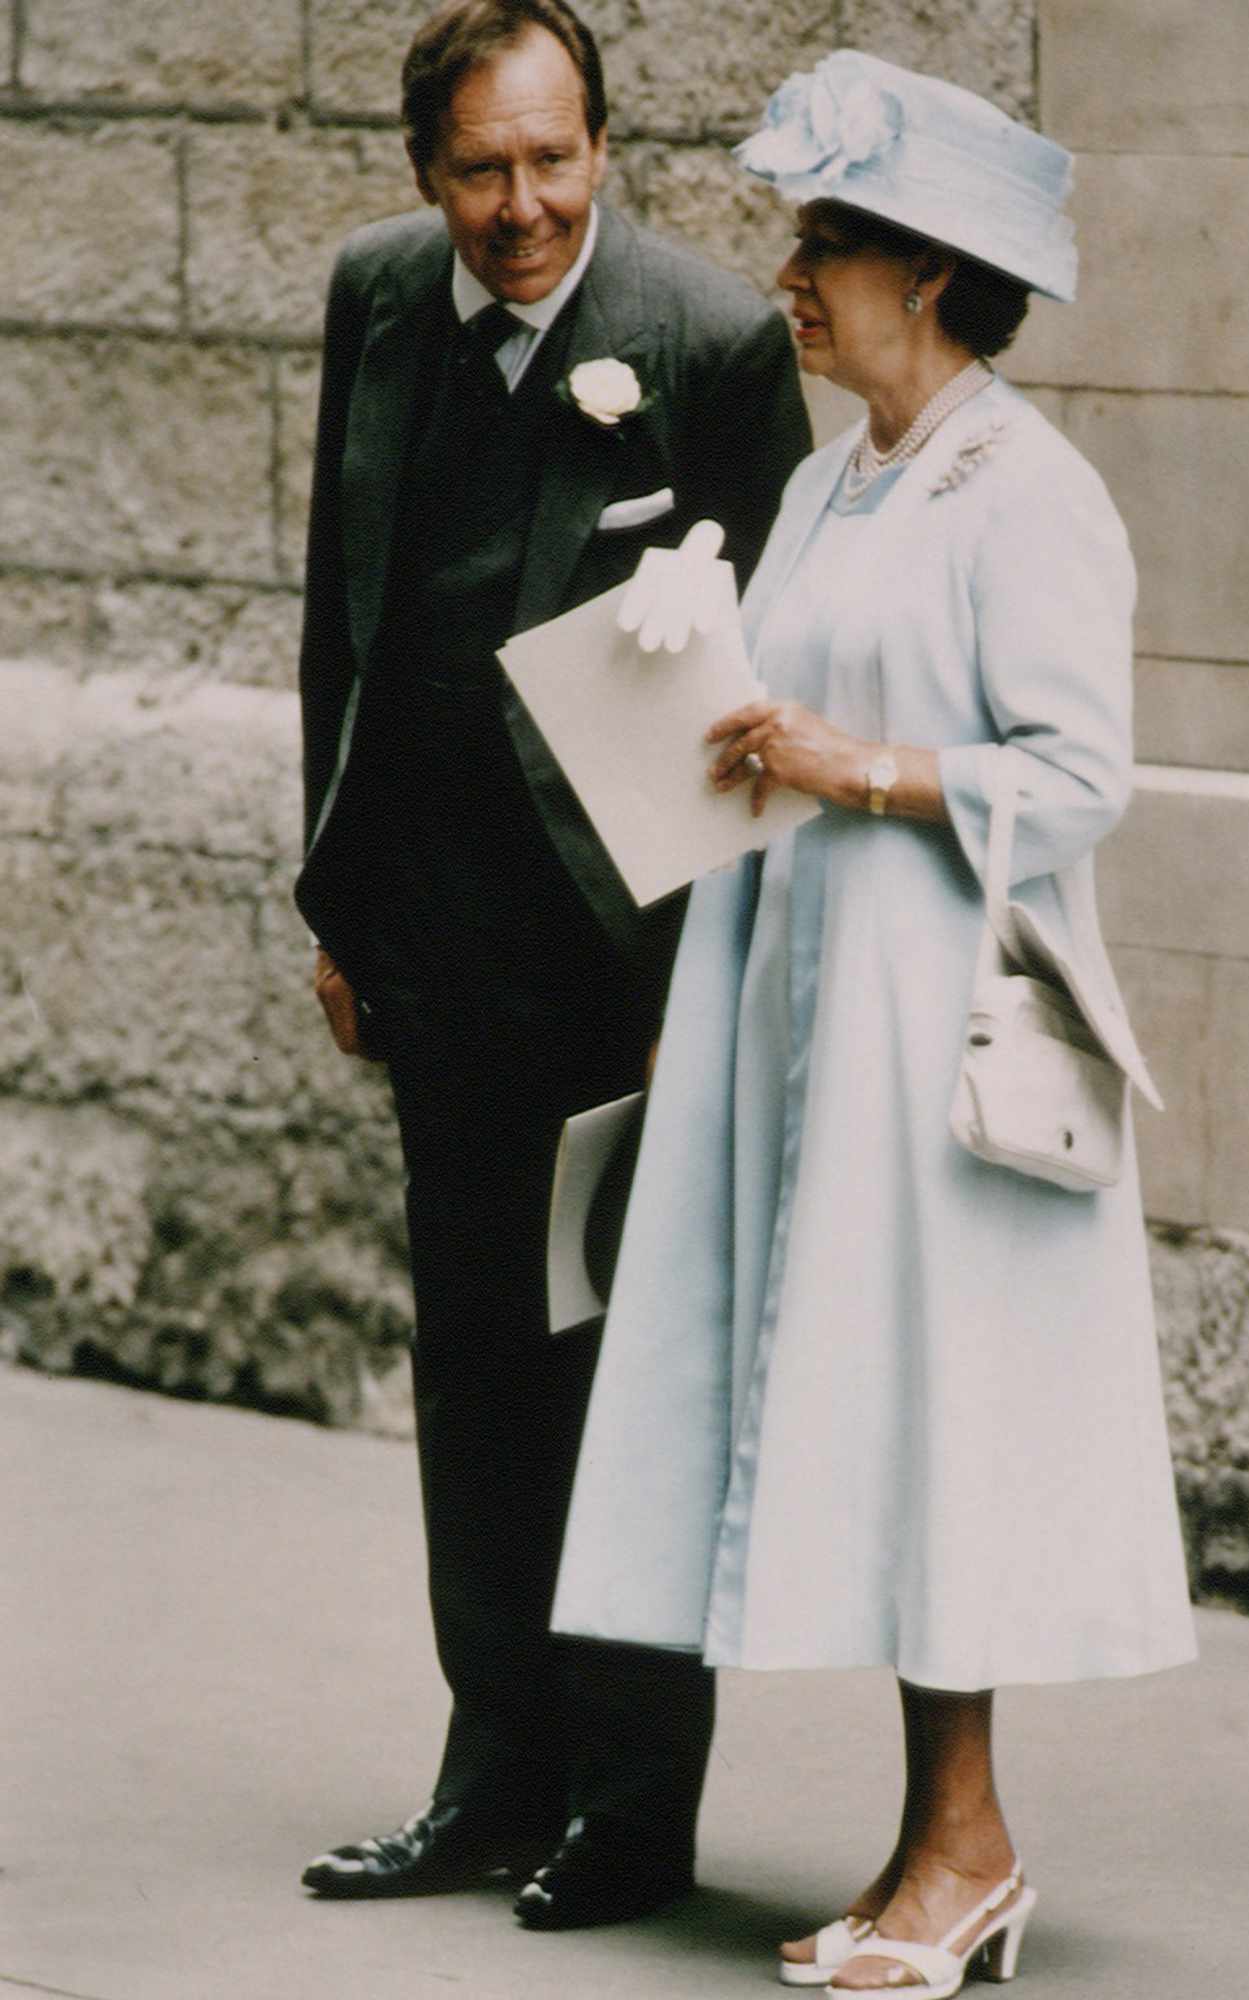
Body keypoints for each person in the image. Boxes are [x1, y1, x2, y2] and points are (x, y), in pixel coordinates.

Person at [551, 49, 1197, 1993]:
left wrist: (862, 767)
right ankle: (932, 1845)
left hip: (940, 1037)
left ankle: (967, 1849)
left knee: (946, 1425)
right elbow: (785, 725)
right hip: (797, 1007)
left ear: (923, 272)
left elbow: (1080, 774)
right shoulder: (835, 478)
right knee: (858, 1418)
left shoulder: (1030, 487)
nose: (790, 272)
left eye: (823, 240)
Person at [293, 0, 810, 1933]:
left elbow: (758, 683)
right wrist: (334, 899)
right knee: (474, 1373)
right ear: (423, 170)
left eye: (556, 158)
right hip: (428, 936)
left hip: (621, 960)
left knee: (619, 1373)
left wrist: (710, 986)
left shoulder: (703, 340)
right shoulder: (374, 298)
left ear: (603, 143)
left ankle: (628, 1803)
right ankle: (486, 1768)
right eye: (484, 169)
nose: (525, 206)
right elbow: (336, 605)